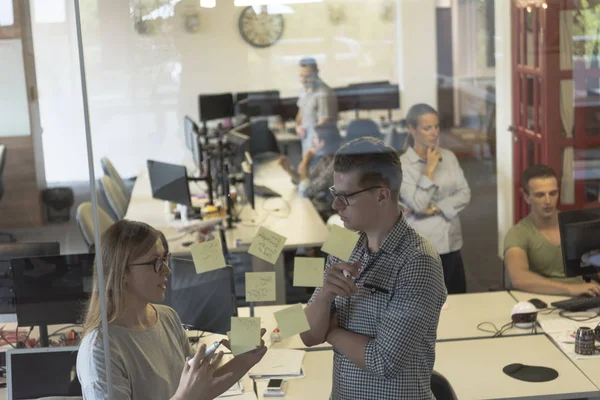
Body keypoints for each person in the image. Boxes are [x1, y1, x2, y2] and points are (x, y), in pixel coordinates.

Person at [300, 137, 447, 399]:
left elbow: (384, 362)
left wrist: (332, 332)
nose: (336, 206)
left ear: (381, 195)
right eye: (336, 194)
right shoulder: (341, 242)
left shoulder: (418, 261)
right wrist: (324, 295)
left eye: (346, 197)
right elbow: (309, 335)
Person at [76, 220, 267, 399]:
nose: (167, 270)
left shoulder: (167, 317)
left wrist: (244, 360)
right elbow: (188, 394)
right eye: (155, 262)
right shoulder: (100, 352)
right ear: (122, 272)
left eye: (165, 259)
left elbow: (199, 389)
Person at [399, 103, 471, 294]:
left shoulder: (449, 157)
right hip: (424, 249)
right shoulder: (403, 166)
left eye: (436, 126)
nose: (434, 133)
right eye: (427, 128)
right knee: (430, 308)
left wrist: (435, 208)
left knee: (459, 300)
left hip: (452, 242)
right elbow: (419, 205)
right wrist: (429, 170)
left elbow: (464, 194)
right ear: (411, 129)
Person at [504, 165, 600, 296]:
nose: (548, 201)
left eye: (553, 193)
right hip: (541, 300)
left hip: (581, 297)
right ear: (526, 197)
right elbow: (519, 278)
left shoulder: (574, 224)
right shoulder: (518, 233)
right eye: (540, 195)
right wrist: (570, 289)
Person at [277, 123, 340, 220]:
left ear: (323, 143)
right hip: (317, 210)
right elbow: (306, 180)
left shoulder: (335, 166)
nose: (312, 143)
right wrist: (288, 169)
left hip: (328, 218)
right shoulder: (325, 159)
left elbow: (306, 191)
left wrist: (305, 163)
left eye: (315, 139)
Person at [296, 57, 338, 157]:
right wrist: (298, 126)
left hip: (321, 148)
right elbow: (300, 113)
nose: (304, 80)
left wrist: (314, 144)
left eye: (308, 76)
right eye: (301, 76)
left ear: (317, 73)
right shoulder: (305, 90)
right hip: (308, 145)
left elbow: (325, 122)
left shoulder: (323, 93)